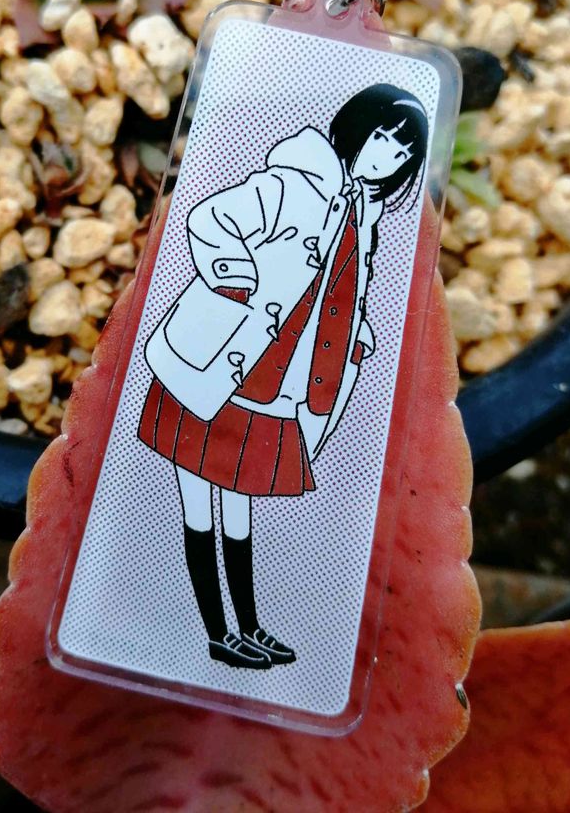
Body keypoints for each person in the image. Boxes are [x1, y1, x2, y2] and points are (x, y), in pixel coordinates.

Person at [139, 83, 429, 670]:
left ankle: (247, 627)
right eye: (382, 139)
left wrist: (355, 332)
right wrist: (235, 281)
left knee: (239, 509)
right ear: (356, 128)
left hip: (280, 388)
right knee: (198, 507)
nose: (386, 159)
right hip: (216, 368)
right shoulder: (295, 185)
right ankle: (216, 633)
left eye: (401, 154)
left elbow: (344, 285)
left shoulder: (364, 213)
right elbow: (211, 218)